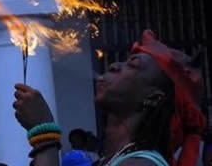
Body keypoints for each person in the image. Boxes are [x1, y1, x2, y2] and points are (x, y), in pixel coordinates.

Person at [13, 30, 195, 165]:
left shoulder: (141, 164)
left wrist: (43, 132)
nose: (114, 65)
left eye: (133, 64)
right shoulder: (108, 160)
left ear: (154, 98)